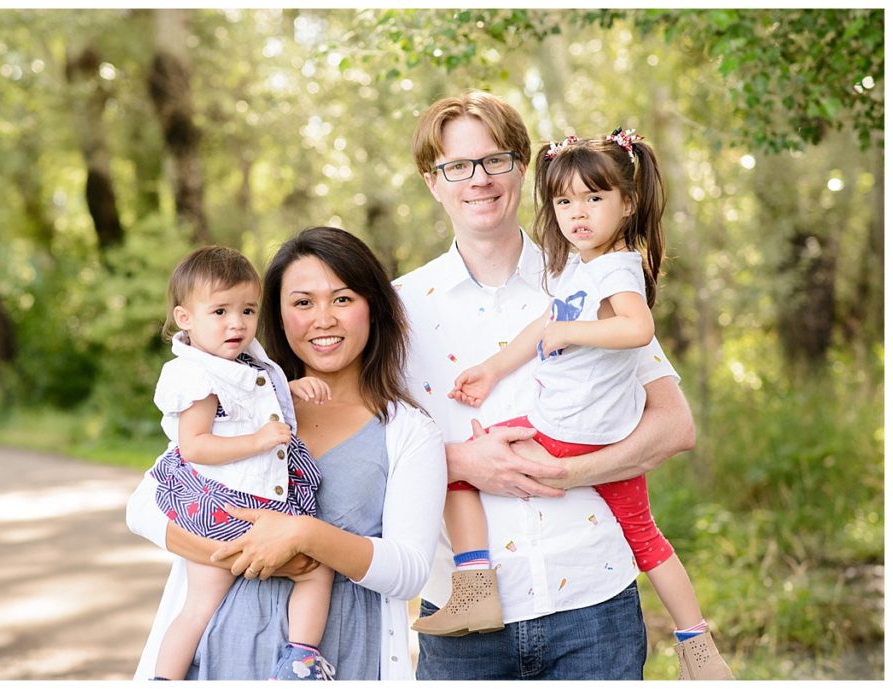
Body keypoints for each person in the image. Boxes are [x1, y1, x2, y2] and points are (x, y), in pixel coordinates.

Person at [395, 90, 699, 680]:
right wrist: (459, 461)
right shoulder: (398, 307)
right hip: (462, 621)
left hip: (593, 604)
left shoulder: (591, 278)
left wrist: (568, 473)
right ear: (433, 182)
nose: (478, 180)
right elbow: (366, 451)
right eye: (457, 166)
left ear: (523, 166)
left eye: (495, 160)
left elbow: (674, 426)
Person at [126, 227, 447, 680]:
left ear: (372, 307)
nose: (323, 319)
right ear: (278, 316)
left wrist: (304, 535)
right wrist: (223, 549)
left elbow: (411, 571)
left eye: (342, 299)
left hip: (339, 655)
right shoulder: (237, 400)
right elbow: (143, 506)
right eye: (302, 302)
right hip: (216, 657)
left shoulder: (407, 431)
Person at [146, 245, 336, 680]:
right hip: (225, 504)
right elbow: (194, 446)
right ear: (185, 318)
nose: (238, 323)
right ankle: (301, 659)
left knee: (199, 606)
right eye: (220, 311)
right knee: (313, 568)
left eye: (248, 310)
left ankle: (168, 678)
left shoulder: (238, 360)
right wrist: (258, 440)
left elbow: (253, 397)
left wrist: (292, 390)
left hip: (235, 498)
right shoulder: (197, 376)